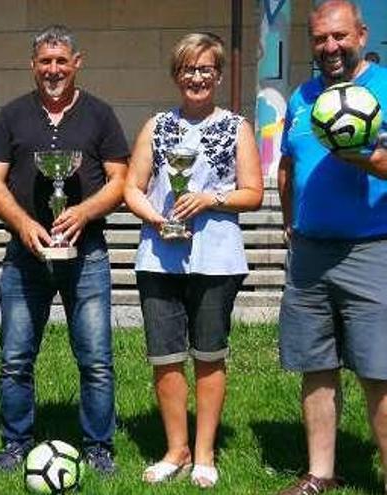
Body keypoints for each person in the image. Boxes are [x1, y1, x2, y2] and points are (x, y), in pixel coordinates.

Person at [0, 24, 129, 474]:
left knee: (97, 360)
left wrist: (82, 212)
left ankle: (98, 446)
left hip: (87, 255)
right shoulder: (12, 115)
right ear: (33, 66)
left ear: (76, 63)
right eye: (45, 62)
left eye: (61, 61)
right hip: (25, 256)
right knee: (15, 359)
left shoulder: (100, 114)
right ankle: (15, 441)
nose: (53, 70)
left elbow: (120, 180)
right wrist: (25, 223)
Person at [123, 32, 263, 488]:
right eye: (188, 69)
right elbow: (131, 187)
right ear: (176, 75)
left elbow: (253, 193)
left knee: (209, 356)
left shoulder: (237, 127)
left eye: (205, 69)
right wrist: (157, 218)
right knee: (165, 358)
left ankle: (204, 453)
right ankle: (175, 448)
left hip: (217, 260)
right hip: (159, 258)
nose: (197, 77)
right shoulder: (156, 125)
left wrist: (210, 199)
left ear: (218, 75)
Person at [277, 1, 387, 494]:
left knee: (379, 371)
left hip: (372, 250)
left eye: (340, 36)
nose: (330, 47)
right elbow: (286, 168)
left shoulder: (383, 91)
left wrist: (357, 158)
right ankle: (320, 474)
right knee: (316, 365)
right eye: (320, 38)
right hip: (310, 254)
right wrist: (288, 225)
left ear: (362, 34)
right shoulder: (301, 97)